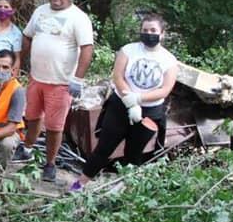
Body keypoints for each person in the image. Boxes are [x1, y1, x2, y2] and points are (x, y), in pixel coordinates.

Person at [70, 13, 176, 191]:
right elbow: (118, 76)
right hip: (120, 105)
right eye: (145, 30)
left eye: (153, 30)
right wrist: (130, 101)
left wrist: (139, 99)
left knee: (135, 154)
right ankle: (79, 184)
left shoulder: (169, 60)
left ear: (162, 33)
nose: (148, 33)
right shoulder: (129, 50)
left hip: (149, 112)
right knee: (104, 148)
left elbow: (165, 89)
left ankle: (123, 192)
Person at [13, 0, 94, 182]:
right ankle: (27, 148)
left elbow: (87, 48)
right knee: (31, 117)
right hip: (37, 77)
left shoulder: (78, 18)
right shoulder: (40, 11)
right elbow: (27, 35)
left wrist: (78, 78)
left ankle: (49, 163)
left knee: (54, 126)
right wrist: (23, 60)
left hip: (61, 82)